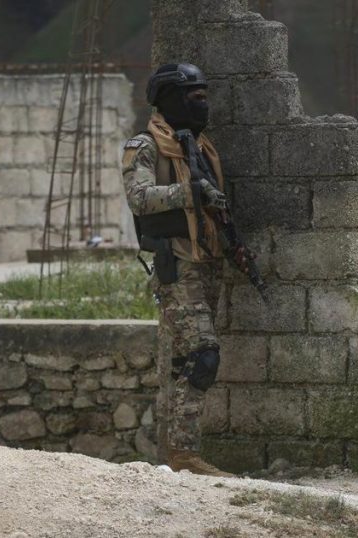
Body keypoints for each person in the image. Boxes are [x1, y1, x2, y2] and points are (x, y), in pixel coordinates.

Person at [121, 63, 232, 477]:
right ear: (171, 100)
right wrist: (189, 192)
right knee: (203, 355)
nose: (202, 105)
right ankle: (184, 455)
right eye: (194, 98)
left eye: (204, 97)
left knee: (180, 361)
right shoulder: (145, 145)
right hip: (178, 265)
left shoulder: (200, 146)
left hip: (207, 264)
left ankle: (172, 456)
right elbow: (139, 198)